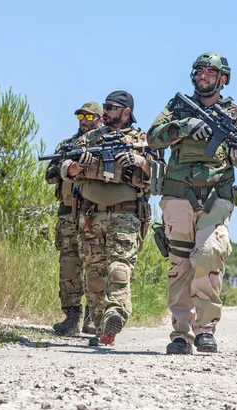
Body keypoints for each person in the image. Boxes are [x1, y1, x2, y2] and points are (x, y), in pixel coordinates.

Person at [147, 52, 237, 355]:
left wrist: (230, 142)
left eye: (211, 72)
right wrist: (185, 126)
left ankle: (206, 329)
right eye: (200, 71)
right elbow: (152, 138)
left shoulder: (234, 113)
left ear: (223, 79)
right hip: (179, 194)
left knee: (208, 256)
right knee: (180, 265)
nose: (203, 76)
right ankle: (181, 333)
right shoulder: (177, 106)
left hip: (216, 198)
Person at [60, 90, 153, 346]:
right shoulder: (90, 138)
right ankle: (103, 328)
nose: (107, 111)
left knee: (119, 268)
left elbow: (159, 174)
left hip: (125, 214)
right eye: (105, 106)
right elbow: (63, 167)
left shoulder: (141, 140)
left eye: (111, 107)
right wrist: (77, 166)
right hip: (91, 215)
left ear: (126, 112)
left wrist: (141, 161)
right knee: (94, 274)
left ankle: (117, 311)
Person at [45, 102, 102, 336]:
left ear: (99, 118)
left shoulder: (105, 143)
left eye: (89, 115)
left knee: (95, 265)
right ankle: (71, 317)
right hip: (68, 214)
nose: (83, 119)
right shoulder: (67, 145)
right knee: (69, 266)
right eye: (80, 115)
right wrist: (68, 167)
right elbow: (49, 174)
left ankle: (93, 316)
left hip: (94, 213)